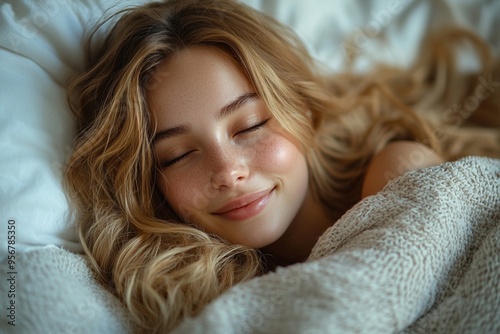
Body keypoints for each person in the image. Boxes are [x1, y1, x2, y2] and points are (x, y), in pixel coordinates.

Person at [64, 0, 498, 332]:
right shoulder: (199, 301)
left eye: (249, 126)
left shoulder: (397, 169)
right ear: (153, 186)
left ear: (302, 110)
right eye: (177, 156)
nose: (228, 170)